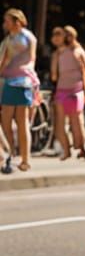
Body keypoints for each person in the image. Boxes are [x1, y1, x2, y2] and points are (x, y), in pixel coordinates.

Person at [0, 9, 39, 173]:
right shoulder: (9, 39)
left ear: (17, 21)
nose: (4, 24)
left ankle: (23, 159)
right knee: (8, 122)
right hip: (13, 82)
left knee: (19, 122)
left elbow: (30, 58)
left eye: (7, 21)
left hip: (21, 82)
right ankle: (13, 155)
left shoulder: (24, 37)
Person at [50, 26, 85, 160]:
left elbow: (54, 76)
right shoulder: (71, 52)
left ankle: (74, 150)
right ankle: (77, 149)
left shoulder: (67, 52)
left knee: (68, 122)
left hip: (69, 89)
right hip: (71, 89)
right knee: (73, 121)